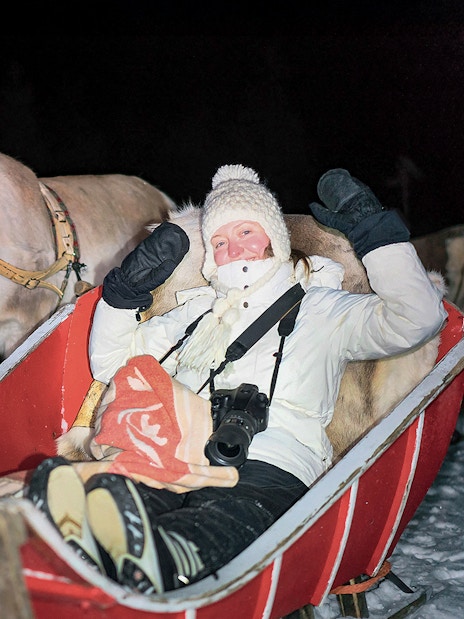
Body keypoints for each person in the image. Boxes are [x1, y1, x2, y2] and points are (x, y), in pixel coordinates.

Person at [26, 164, 446, 595]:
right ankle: (87, 537)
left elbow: (418, 318)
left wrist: (379, 239)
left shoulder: (323, 308)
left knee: (230, 512)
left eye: (247, 232)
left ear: (273, 239)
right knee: (131, 494)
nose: (234, 247)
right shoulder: (195, 314)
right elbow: (112, 364)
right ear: (210, 254)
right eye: (220, 241)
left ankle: (168, 555)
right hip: (181, 453)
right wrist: (121, 295)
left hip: (274, 459)